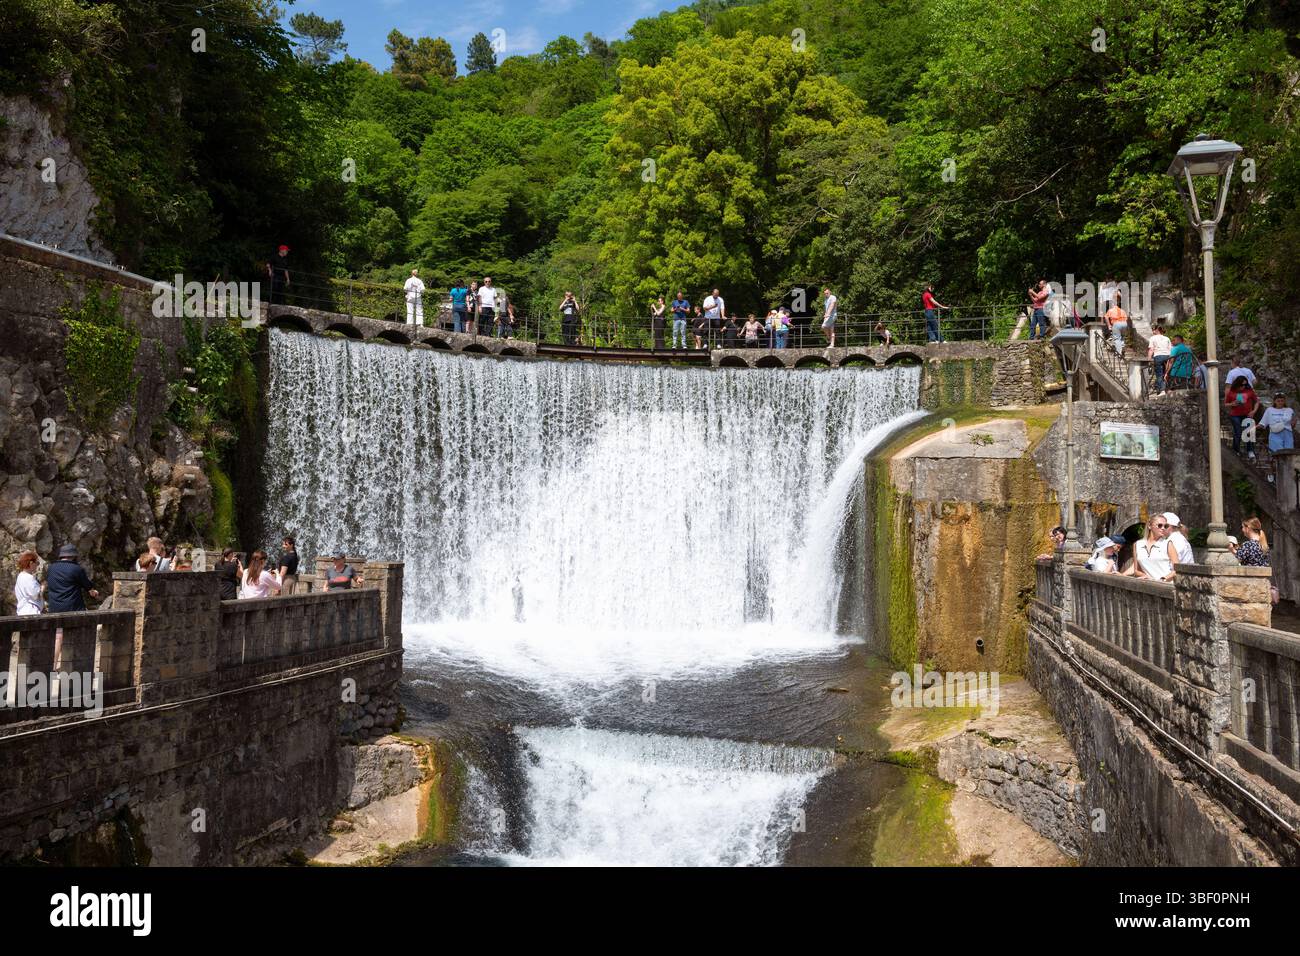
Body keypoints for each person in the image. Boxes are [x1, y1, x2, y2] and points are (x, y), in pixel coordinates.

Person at [45, 544, 100, 612]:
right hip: (72, 608)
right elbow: (87, 585)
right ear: (74, 555)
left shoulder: (51, 568)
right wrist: (92, 591)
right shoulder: (76, 569)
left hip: (54, 608)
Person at [1129, 517, 1176, 581]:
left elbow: (1177, 570)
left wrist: (1162, 579)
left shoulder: (1168, 544)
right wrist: (1145, 576)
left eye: (1165, 526)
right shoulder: (1137, 544)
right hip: (1148, 586)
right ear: (1149, 526)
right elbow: (1136, 570)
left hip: (1166, 586)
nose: (1163, 528)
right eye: (1159, 525)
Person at [1225, 374, 1261, 457]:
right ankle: (1236, 450)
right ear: (1237, 384)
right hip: (1235, 415)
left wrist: (1254, 411)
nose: (1244, 386)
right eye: (1242, 384)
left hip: (1248, 414)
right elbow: (1226, 404)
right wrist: (1232, 404)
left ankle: (1250, 450)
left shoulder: (1249, 391)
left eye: (1245, 384)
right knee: (1237, 432)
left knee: (1249, 432)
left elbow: (1257, 401)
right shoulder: (1231, 392)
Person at [14, 550, 43, 615]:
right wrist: (43, 588)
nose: (37, 565)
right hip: (31, 612)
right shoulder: (29, 578)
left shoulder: (20, 576)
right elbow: (35, 596)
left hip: (22, 611)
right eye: (37, 563)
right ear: (31, 563)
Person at [1147, 325, 1172, 394]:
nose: (1152, 331)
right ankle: (1166, 389)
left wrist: (1149, 360)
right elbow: (1170, 349)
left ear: (1156, 330)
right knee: (1166, 373)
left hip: (1158, 356)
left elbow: (1151, 349)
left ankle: (1162, 390)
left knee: (1159, 374)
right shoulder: (1167, 338)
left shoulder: (1153, 338)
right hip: (1167, 356)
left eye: (1153, 330)